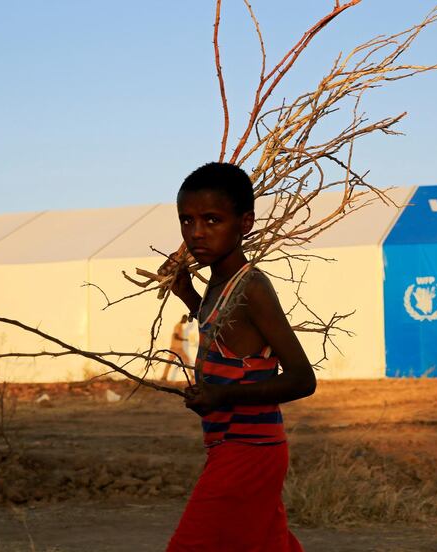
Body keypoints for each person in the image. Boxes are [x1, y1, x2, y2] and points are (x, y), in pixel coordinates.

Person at [161, 162, 315, 552]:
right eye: (186, 220)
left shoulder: (252, 288)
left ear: (244, 223)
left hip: (248, 451)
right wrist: (188, 296)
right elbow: (227, 333)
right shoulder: (218, 284)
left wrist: (221, 396)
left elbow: (302, 378)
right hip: (233, 445)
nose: (196, 232)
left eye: (212, 219)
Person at [163, 314, 190, 381]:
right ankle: (164, 377)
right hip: (175, 348)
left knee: (187, 361)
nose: (186, 321)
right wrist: (184, 339)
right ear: (184, 318)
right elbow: (176, 336)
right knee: (169, 362)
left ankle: (192, 376)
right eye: (186, 319)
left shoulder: (180, 326)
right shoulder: (178, 326)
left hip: (179, 348)